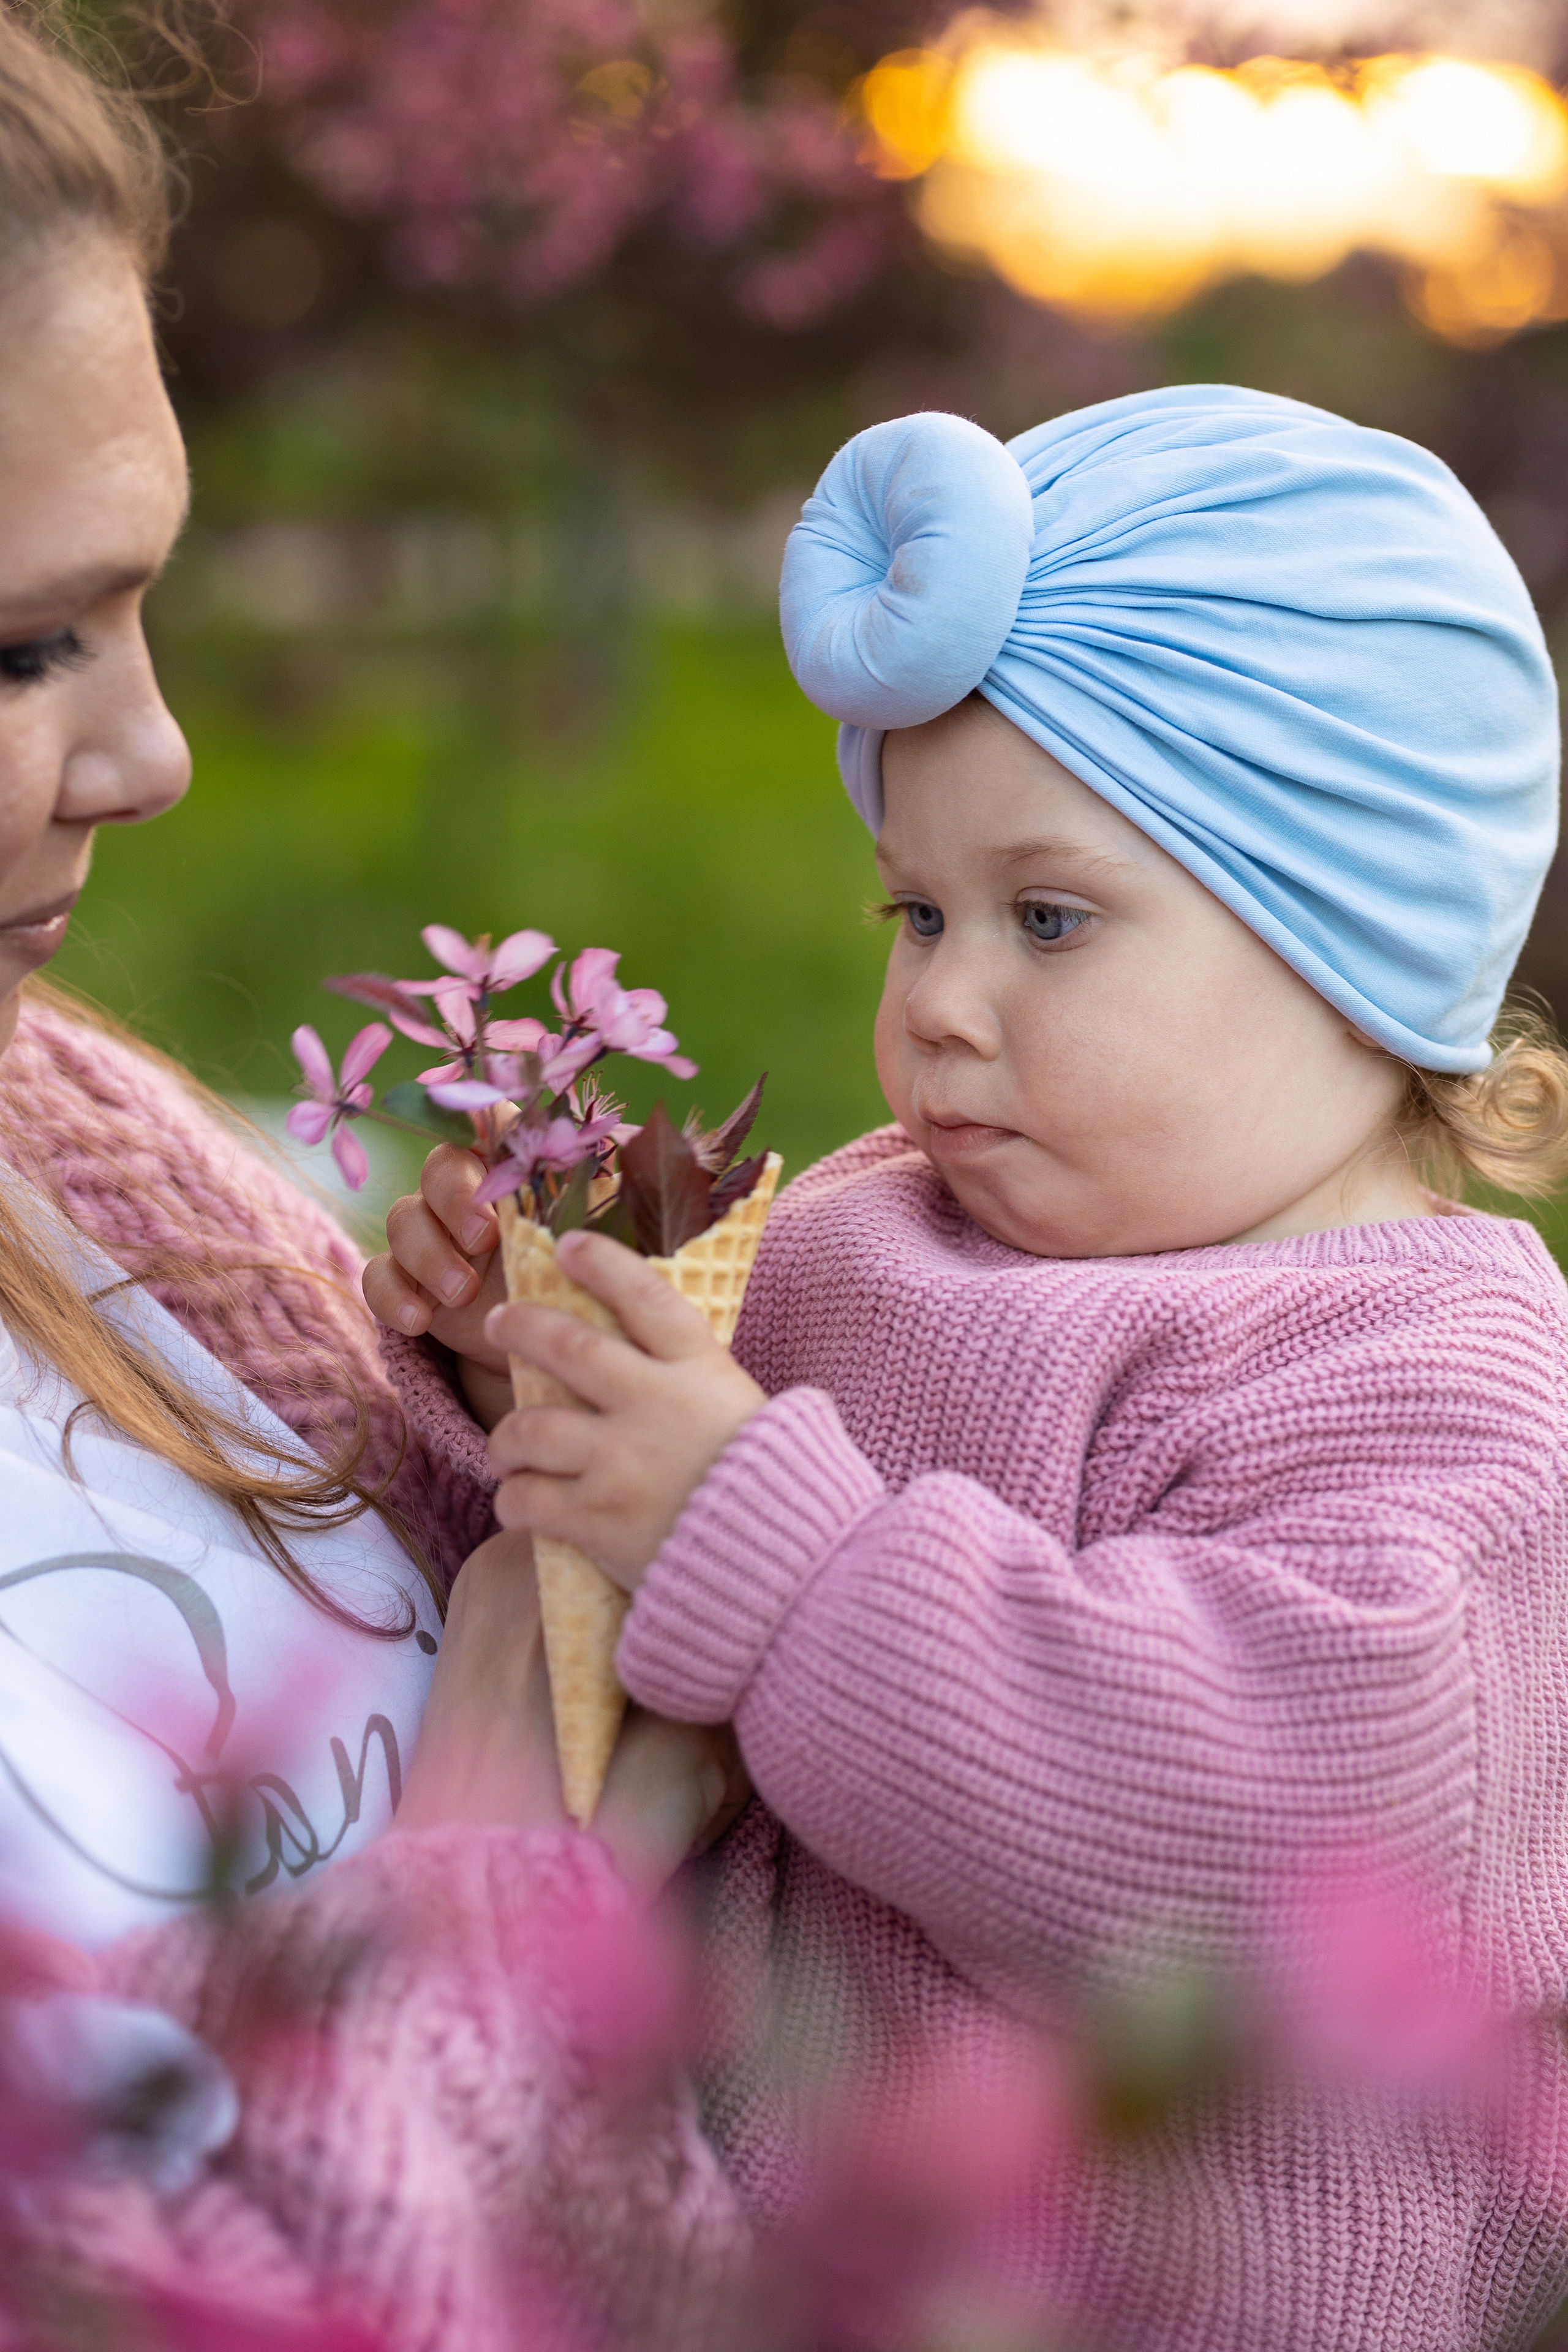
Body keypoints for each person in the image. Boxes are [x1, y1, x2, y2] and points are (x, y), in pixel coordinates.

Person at [387, 394, 1568, 2350]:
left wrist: (772, 1557)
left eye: (1049, 919)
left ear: (1356, 946)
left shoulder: (1437, 1384)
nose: (938, 1001)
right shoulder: (881, 1219)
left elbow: (1268, 1828)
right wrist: (530, 1376)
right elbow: (644, 1576)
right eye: (916, 911)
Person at [0, 10, 746, 2342]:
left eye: (140, 605)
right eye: (19, 645)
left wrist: (479, 1410)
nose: (155, 748)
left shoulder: (84, 1156)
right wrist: (510, 1853)